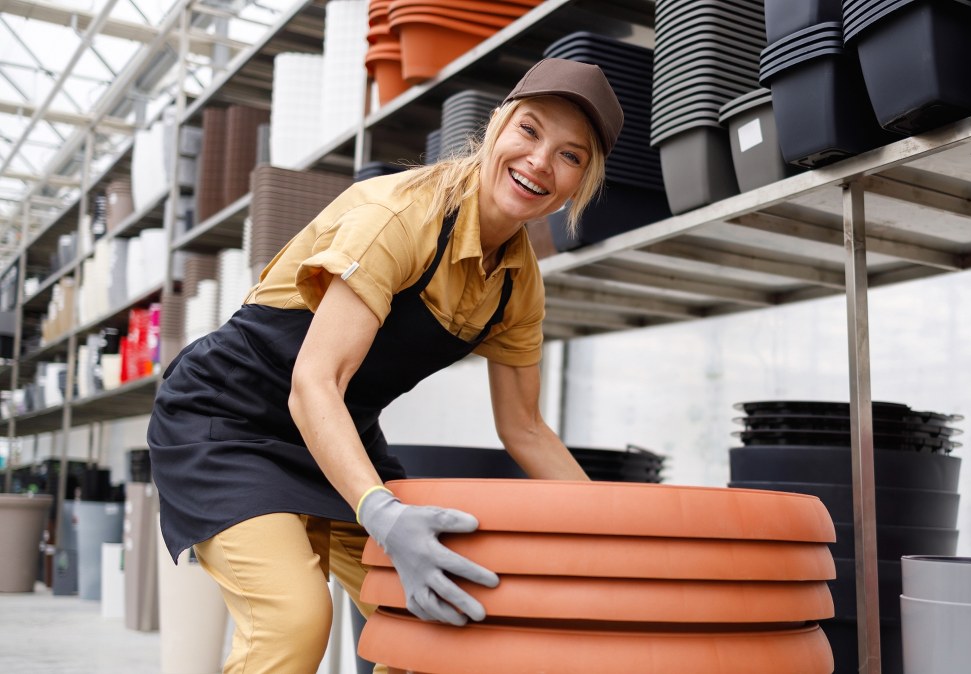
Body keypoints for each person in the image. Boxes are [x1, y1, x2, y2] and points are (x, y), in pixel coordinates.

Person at [147, 58, 624, 674]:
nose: (540, 161)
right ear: (497, 126)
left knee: (436, 624)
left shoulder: (516, 284)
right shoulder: (400, 217)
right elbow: (315, 381)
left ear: (582, 182)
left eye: (570, 155)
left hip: (338, 432)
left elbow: (526, 428)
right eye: (529, 131)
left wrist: (615, 534)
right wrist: (381, 512)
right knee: (294, 621)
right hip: (228, 422)